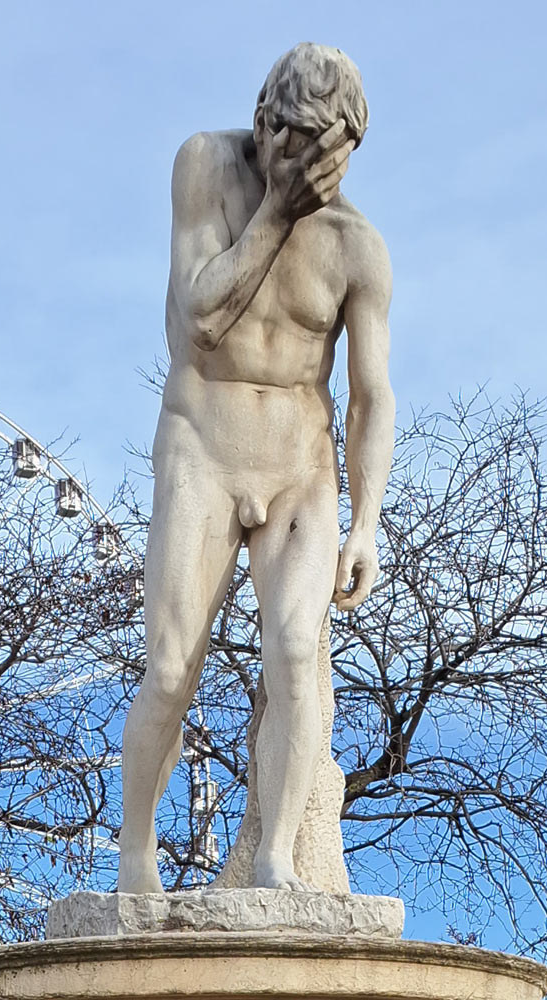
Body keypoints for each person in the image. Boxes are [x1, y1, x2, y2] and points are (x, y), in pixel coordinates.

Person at [118, 42, 395, 893]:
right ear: (263, 118)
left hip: (300, 468)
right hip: (202, 443)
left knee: (293, 654)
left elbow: (371, 397)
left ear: (349, 146)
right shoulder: (206, 165)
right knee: (169, 667)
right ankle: (135, 854)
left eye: (321, 148)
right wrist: (275, 209)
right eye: (287, 137)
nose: (301, 160)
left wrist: (366, 523)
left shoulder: (358, 249)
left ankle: (275, 859)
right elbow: (200, 317)